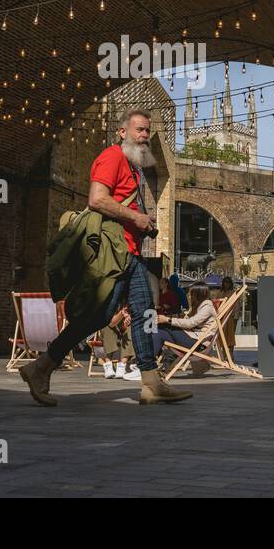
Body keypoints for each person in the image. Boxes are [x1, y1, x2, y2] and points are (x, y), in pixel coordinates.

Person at [19, 108, 191, 406]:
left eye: (148, 131)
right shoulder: (112, 156)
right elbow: (97, 199)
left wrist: (143, 221)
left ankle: (150, 382)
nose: (145, 136)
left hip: (129, 253)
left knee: (143, 311)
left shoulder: (135, 167)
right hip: (113, 254)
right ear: (122, 132)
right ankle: (41, 367)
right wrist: (135, 218)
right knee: (96, 317)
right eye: (139, 130)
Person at [153, 281, 217, 376]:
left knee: (164, 326)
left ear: (198, 294)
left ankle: (145, 364)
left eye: (191, 294)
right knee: (160, 332)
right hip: (193, 340)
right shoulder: (200, 305)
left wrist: (168, 320)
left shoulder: (207, 306)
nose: (189, 296)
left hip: (198, 343)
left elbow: (191, 323)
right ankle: (146, 365)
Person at [100, 306, 142, 380]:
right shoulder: (113, 303)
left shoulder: (134, 303)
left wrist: (126, 325)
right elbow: (111, 324)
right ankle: (108, 366)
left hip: (127, 338)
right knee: (106, 326)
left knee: (131, 328)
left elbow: (123, 329)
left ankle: (121, 366)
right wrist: (121, 313)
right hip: (112, 336)